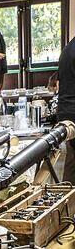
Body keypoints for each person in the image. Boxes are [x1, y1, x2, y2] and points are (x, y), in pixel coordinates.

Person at [57, 37, 75, 183]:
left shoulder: (69, 47)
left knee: (72, 160)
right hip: (72, 111)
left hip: (67, 112)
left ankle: (66, 202)